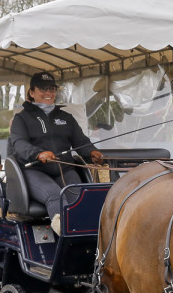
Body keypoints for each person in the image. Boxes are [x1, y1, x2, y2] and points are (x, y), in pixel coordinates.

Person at [9, 71, 104, 234]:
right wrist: (38, 154)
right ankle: (68, 239)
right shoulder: (21, 119)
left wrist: (92, 152)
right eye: (43, 89)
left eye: (52, 89)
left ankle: (91, 237)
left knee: (80, 197)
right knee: (54, 195)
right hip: (34, 170)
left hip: (64, 169)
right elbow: (19, 144)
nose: (48, 93)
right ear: (32, 93)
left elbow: (81, 142)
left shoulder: (66, 117)